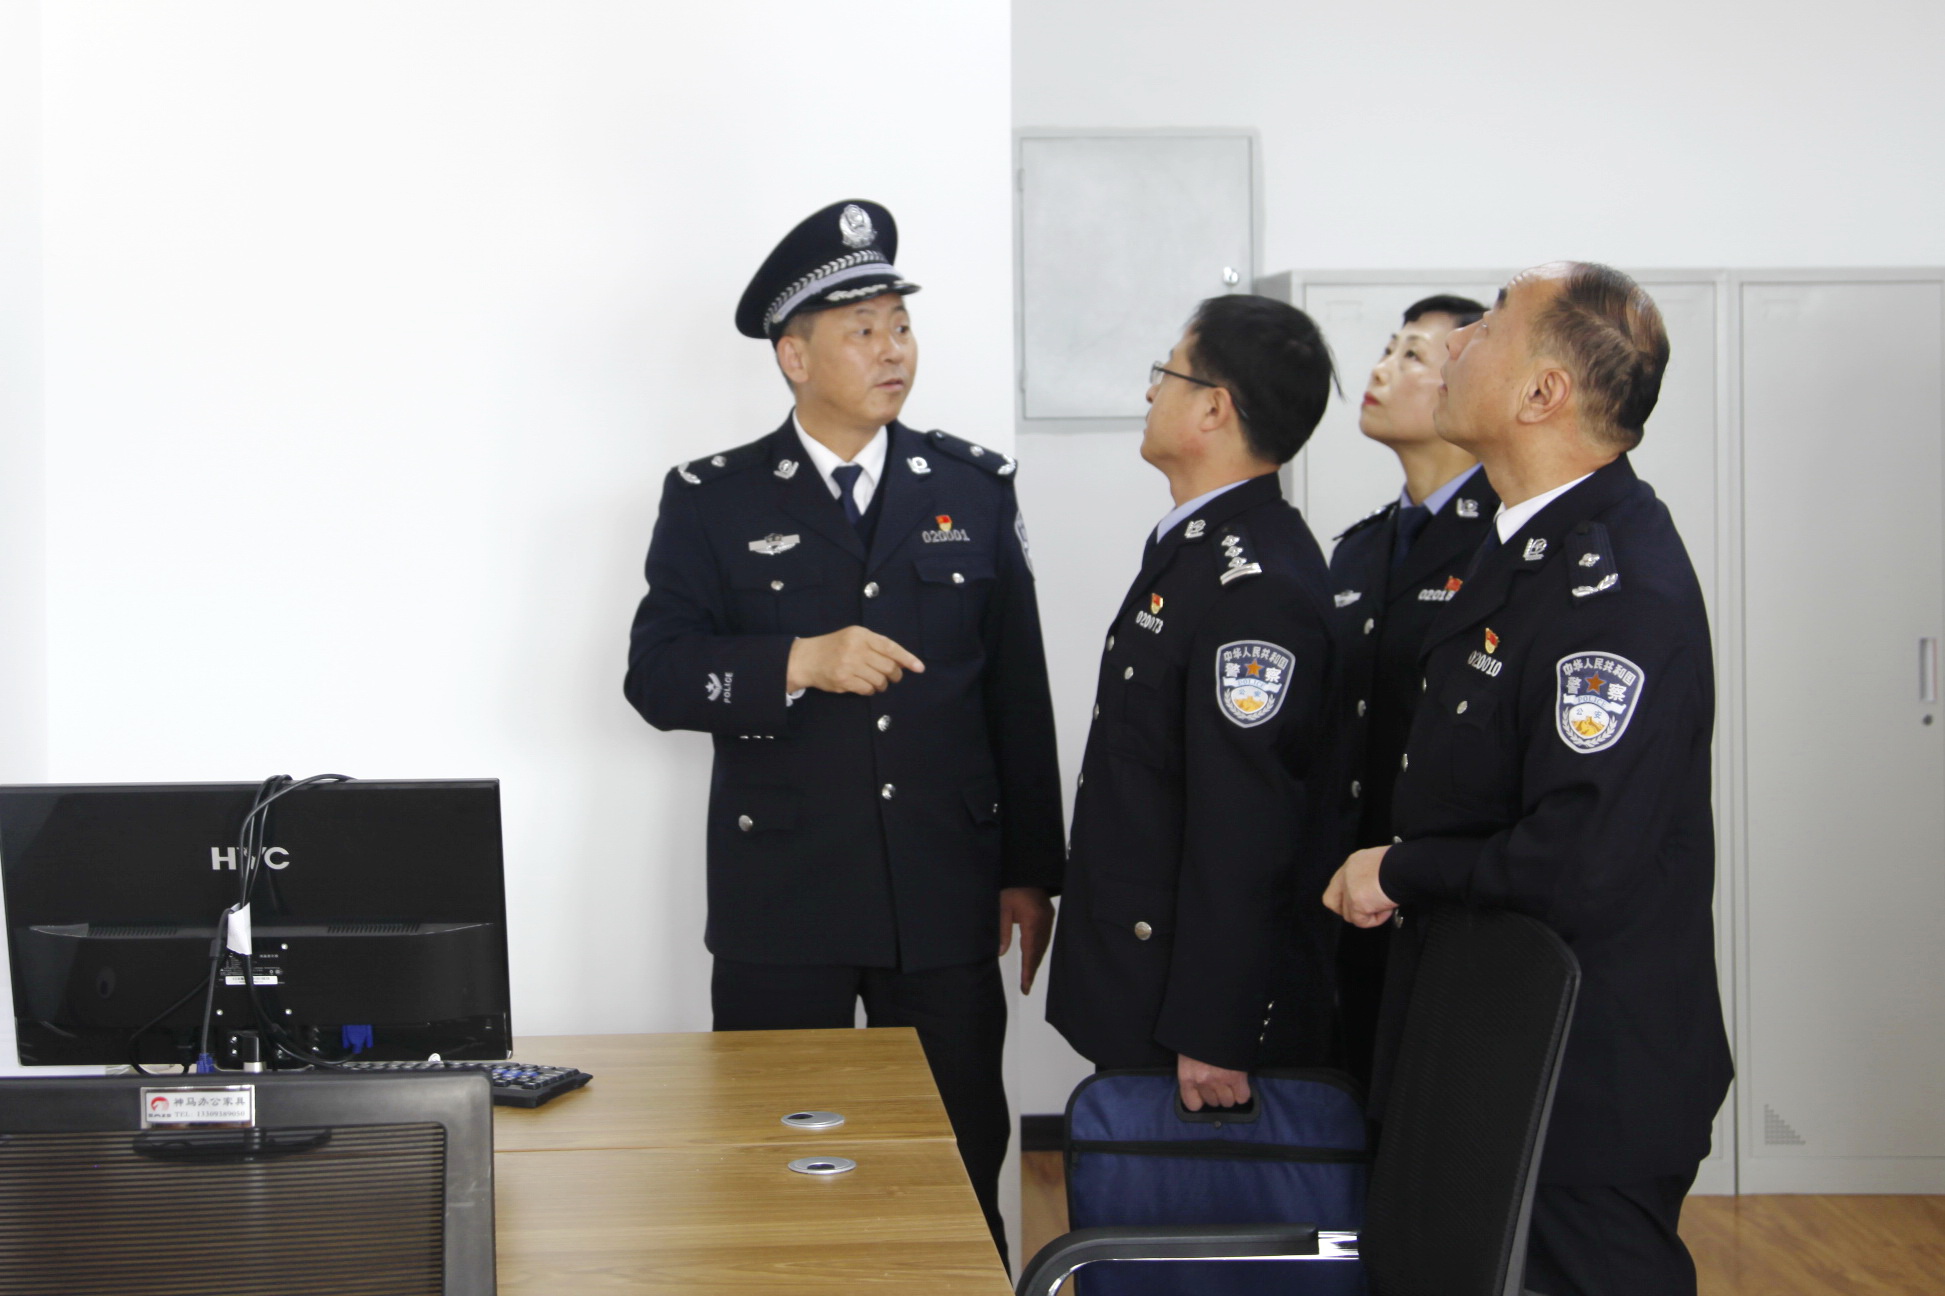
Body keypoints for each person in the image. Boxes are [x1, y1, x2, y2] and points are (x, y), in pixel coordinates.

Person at [623, 199, 1065, 1254]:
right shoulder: (714, 499)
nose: (892, 350)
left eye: (899, 326)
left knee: (959, 1151)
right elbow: (656, 676)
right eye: (861, 330)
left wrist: (1029, 871)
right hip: (786, 901)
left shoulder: (972, 489)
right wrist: (794, 661)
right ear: (793, 356)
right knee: (778, 1161)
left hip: (942, 893)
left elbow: (1016, 691)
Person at [1322, 262, 1733, 1296]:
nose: (1457, 345)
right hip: (1484, 1046)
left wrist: (1399, 870)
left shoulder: (1616, 587)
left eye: (1487, 329)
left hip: (1582, 1080)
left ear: (1542, 393)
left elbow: (1579, 858)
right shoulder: (1518, 547)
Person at [1046, 293, 1343, 1112]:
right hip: (1141, 977)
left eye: (1166, 373)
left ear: (1213, 408)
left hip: (1185, 1015)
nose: (1150, 392)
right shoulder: (1199, 548)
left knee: (1172, 1195)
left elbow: (1246, 825)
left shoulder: (1256, 589)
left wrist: (1215, 1025)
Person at [1327, 294, 1497, 1088]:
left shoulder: (1499, 544)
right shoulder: (1361, 550)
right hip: (1352, 898)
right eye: (1386, 348)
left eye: (1411, 356)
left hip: (1447, 899)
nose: (1380, 369)